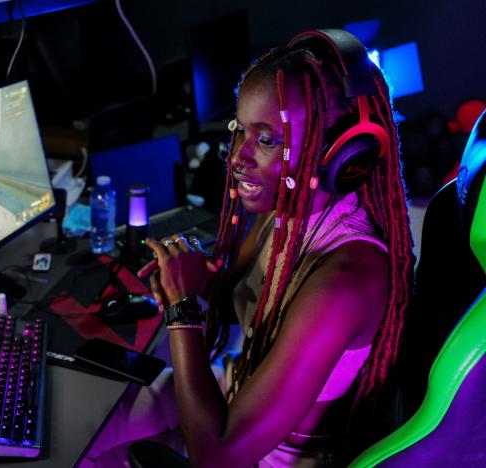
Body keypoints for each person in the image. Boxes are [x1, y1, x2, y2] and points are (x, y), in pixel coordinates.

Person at [83, 30, 414, 467]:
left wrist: (183, 308)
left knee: (92, 458)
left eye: (269, 140)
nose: (238, 156)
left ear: (339, 154)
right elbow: (223, 290)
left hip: (258, 455)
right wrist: (192, 281)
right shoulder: (287, 212)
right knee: (80, 428)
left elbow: (218, 456)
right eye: (240, 130)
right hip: (231, 385)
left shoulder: (347, 279)